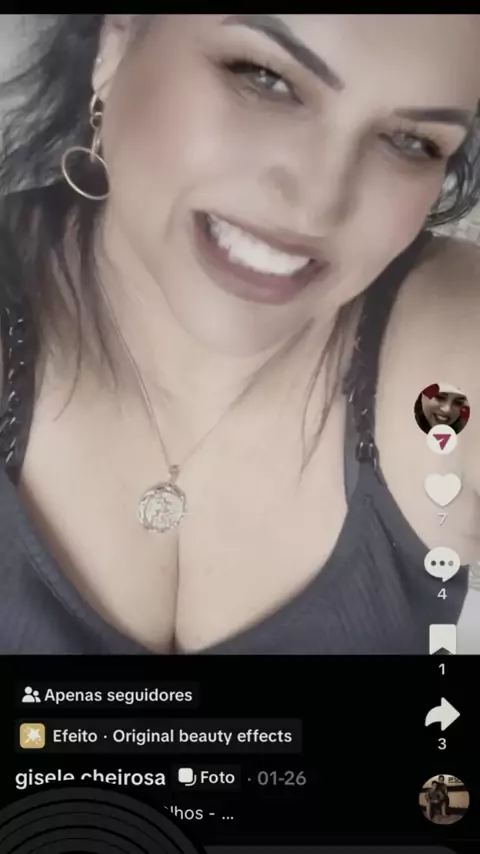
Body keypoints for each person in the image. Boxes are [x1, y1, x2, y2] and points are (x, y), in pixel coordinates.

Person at [0, 15, 479, 654]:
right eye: (266, 77)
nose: (317, 204)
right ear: (117, 40)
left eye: (410, 141)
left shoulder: (449, 347)